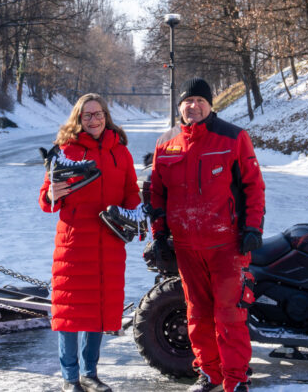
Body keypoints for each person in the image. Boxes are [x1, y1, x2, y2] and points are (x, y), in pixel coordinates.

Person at [149, 78, 265, 392]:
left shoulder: (233, 137)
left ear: (210, 105)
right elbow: (156, 194)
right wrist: (159, 236)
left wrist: (253, 227)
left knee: (230, 315)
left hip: (227, 245)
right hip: (187, 246)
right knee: (197, 314)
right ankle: (210, 375)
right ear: (180, 106)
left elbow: (254, 186)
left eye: (201, 100)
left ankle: (236, 379)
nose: (194, 106)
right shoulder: (166, 143)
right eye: (188, 101)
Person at [39, 93, 140, 392]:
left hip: (109, 239)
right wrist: (51, 194)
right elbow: (46, 198)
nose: (94, 120)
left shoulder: (120, 152)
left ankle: (89, 373)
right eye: (87, 115)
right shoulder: (65, 150)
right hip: (75, 241)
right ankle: (70, 378)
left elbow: (131, 190)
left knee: (98, 310)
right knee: (70, 313)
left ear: (106, 116)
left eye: (98, 114)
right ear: (78, 119)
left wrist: (134, 212)